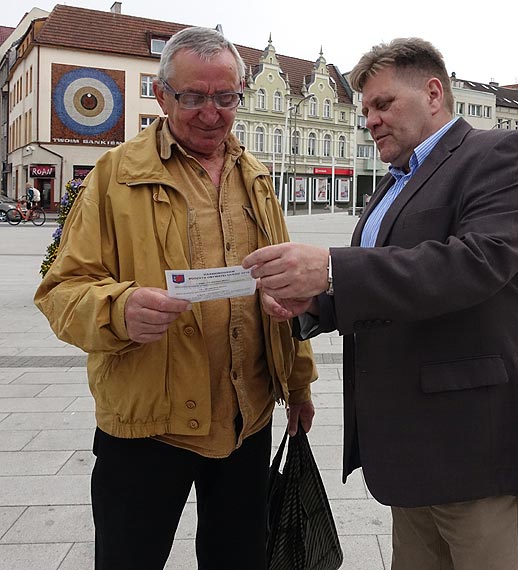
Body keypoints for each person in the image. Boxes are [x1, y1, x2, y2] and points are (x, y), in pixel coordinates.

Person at [244, 38, 518, 570]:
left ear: (434, 93)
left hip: (477, 448)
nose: (370, 120)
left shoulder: (499, 153)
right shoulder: (395, 181)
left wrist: (333, 269)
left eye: (383, 104)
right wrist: (314, 305)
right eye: (365, 109)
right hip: (409, 452)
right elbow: (387, 287)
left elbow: (477, 262)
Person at [35, 27, 316, 570]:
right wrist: (118, 309)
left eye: (226, 97)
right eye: (193, 97)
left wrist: (298, 383)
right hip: (148, 425)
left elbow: (284, 288)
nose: (212, 112)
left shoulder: (256, 176)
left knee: (239, 560)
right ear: (163, 96)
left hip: (246, 416)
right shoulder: (116, 176)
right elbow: (60, 290)